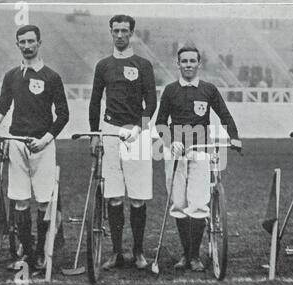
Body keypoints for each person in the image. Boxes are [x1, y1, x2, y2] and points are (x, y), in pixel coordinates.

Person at [0, 25, 69, 270]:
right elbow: (1, 108)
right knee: (20, 201)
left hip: (43, 145)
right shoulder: (12, 76)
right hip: (16, 143)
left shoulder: (52, 77)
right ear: (17, 45)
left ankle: (40, 252)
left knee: (44, 201)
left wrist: (46, 139)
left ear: (39, 42)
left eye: (31, 41)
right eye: (22, 42)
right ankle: (26, 253)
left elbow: (63, 115)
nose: (27, 46)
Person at [155, 45, 241, 271]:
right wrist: (169, 141)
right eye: (184, 61)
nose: (189, 65)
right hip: (175, 152)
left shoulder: (208, 89)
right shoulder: (170, 90)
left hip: (201, 150)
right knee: (179, 204)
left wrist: (234, 137)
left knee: (198, 203)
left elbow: (224, 115)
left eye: (193, 61)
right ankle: (186, 253)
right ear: (178, 64)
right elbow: (160, 122)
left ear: (199, 63)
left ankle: (193, 257)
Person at [88, 15, 157, 270]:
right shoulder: (103, 65)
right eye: (115, 30)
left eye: (124, 31)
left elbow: (151, 102)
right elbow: (95, 101)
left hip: (136, 133)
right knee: (114, 197)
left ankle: (138, 252)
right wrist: (95, 134)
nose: (119, 35)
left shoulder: (143, 64)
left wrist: (140, 127)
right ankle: (117, 252)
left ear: (132, 34)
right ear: (110, 32)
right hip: (109, 132)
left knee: (138, 198)